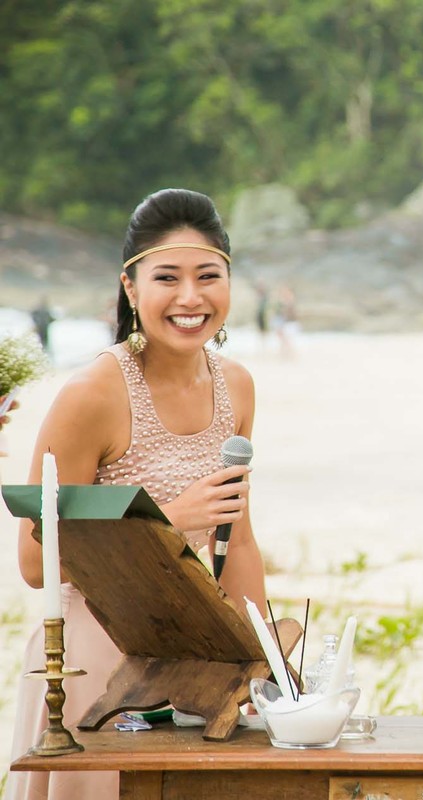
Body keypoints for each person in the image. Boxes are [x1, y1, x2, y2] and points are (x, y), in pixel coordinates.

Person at [5, 188, 267, 800]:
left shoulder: (238, 387)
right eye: (167, 278)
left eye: (209, 276)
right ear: (130, 288)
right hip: (92, 662)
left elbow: (241, 539)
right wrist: (169, 520)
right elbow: (33, 559)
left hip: (195, 661)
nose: (190, 298)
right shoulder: (93, 393)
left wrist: (260, 666)